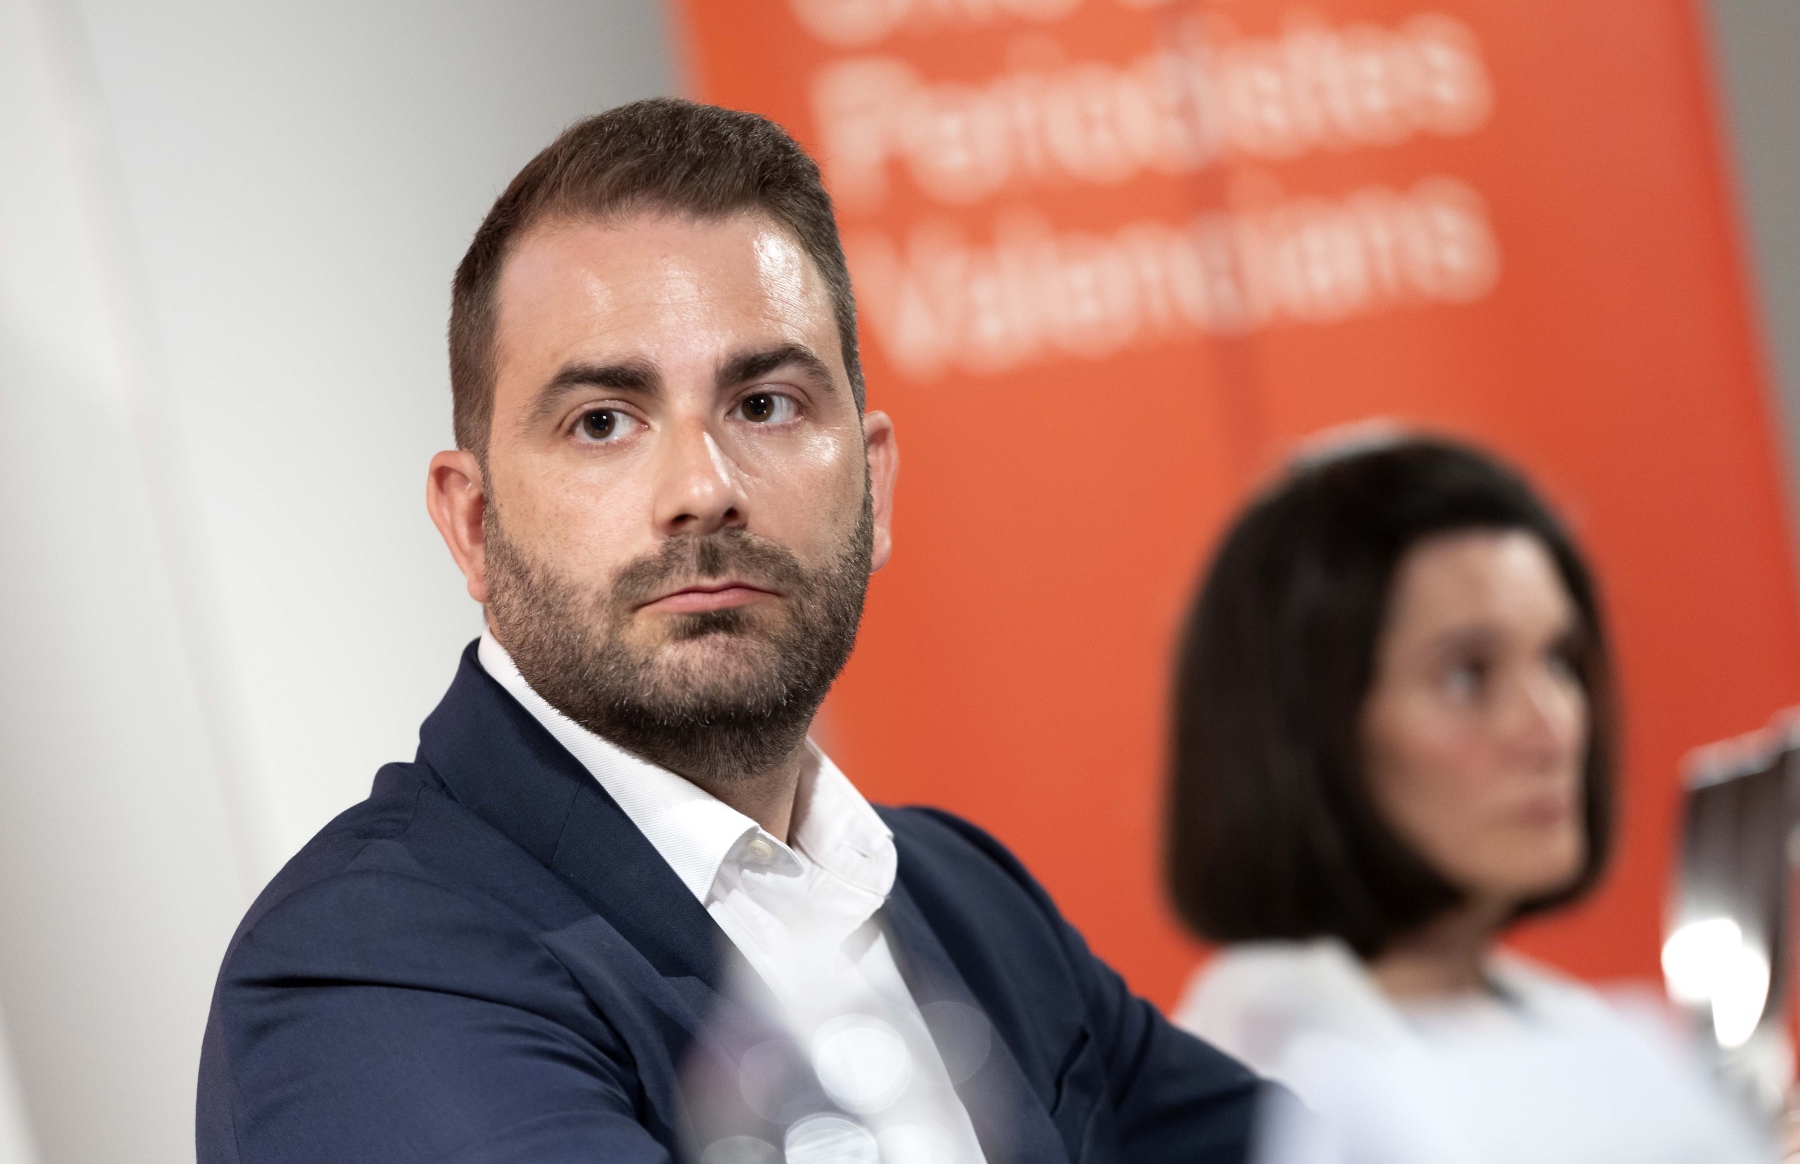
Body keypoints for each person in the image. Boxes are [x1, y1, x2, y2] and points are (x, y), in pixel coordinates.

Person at [195, 99, 1260, 1164]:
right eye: (602, 422)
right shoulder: (368, 969)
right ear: (473, 523)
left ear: (875, 487)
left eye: (765, 405)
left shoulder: (969, 898)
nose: (703, 491)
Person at [1165, 433, 1769, 1162]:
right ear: (1304, 727)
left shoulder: (1581, 1029)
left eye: (1559, 660)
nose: (1553, 726)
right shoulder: (1259, 1068)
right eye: (1467, 676)